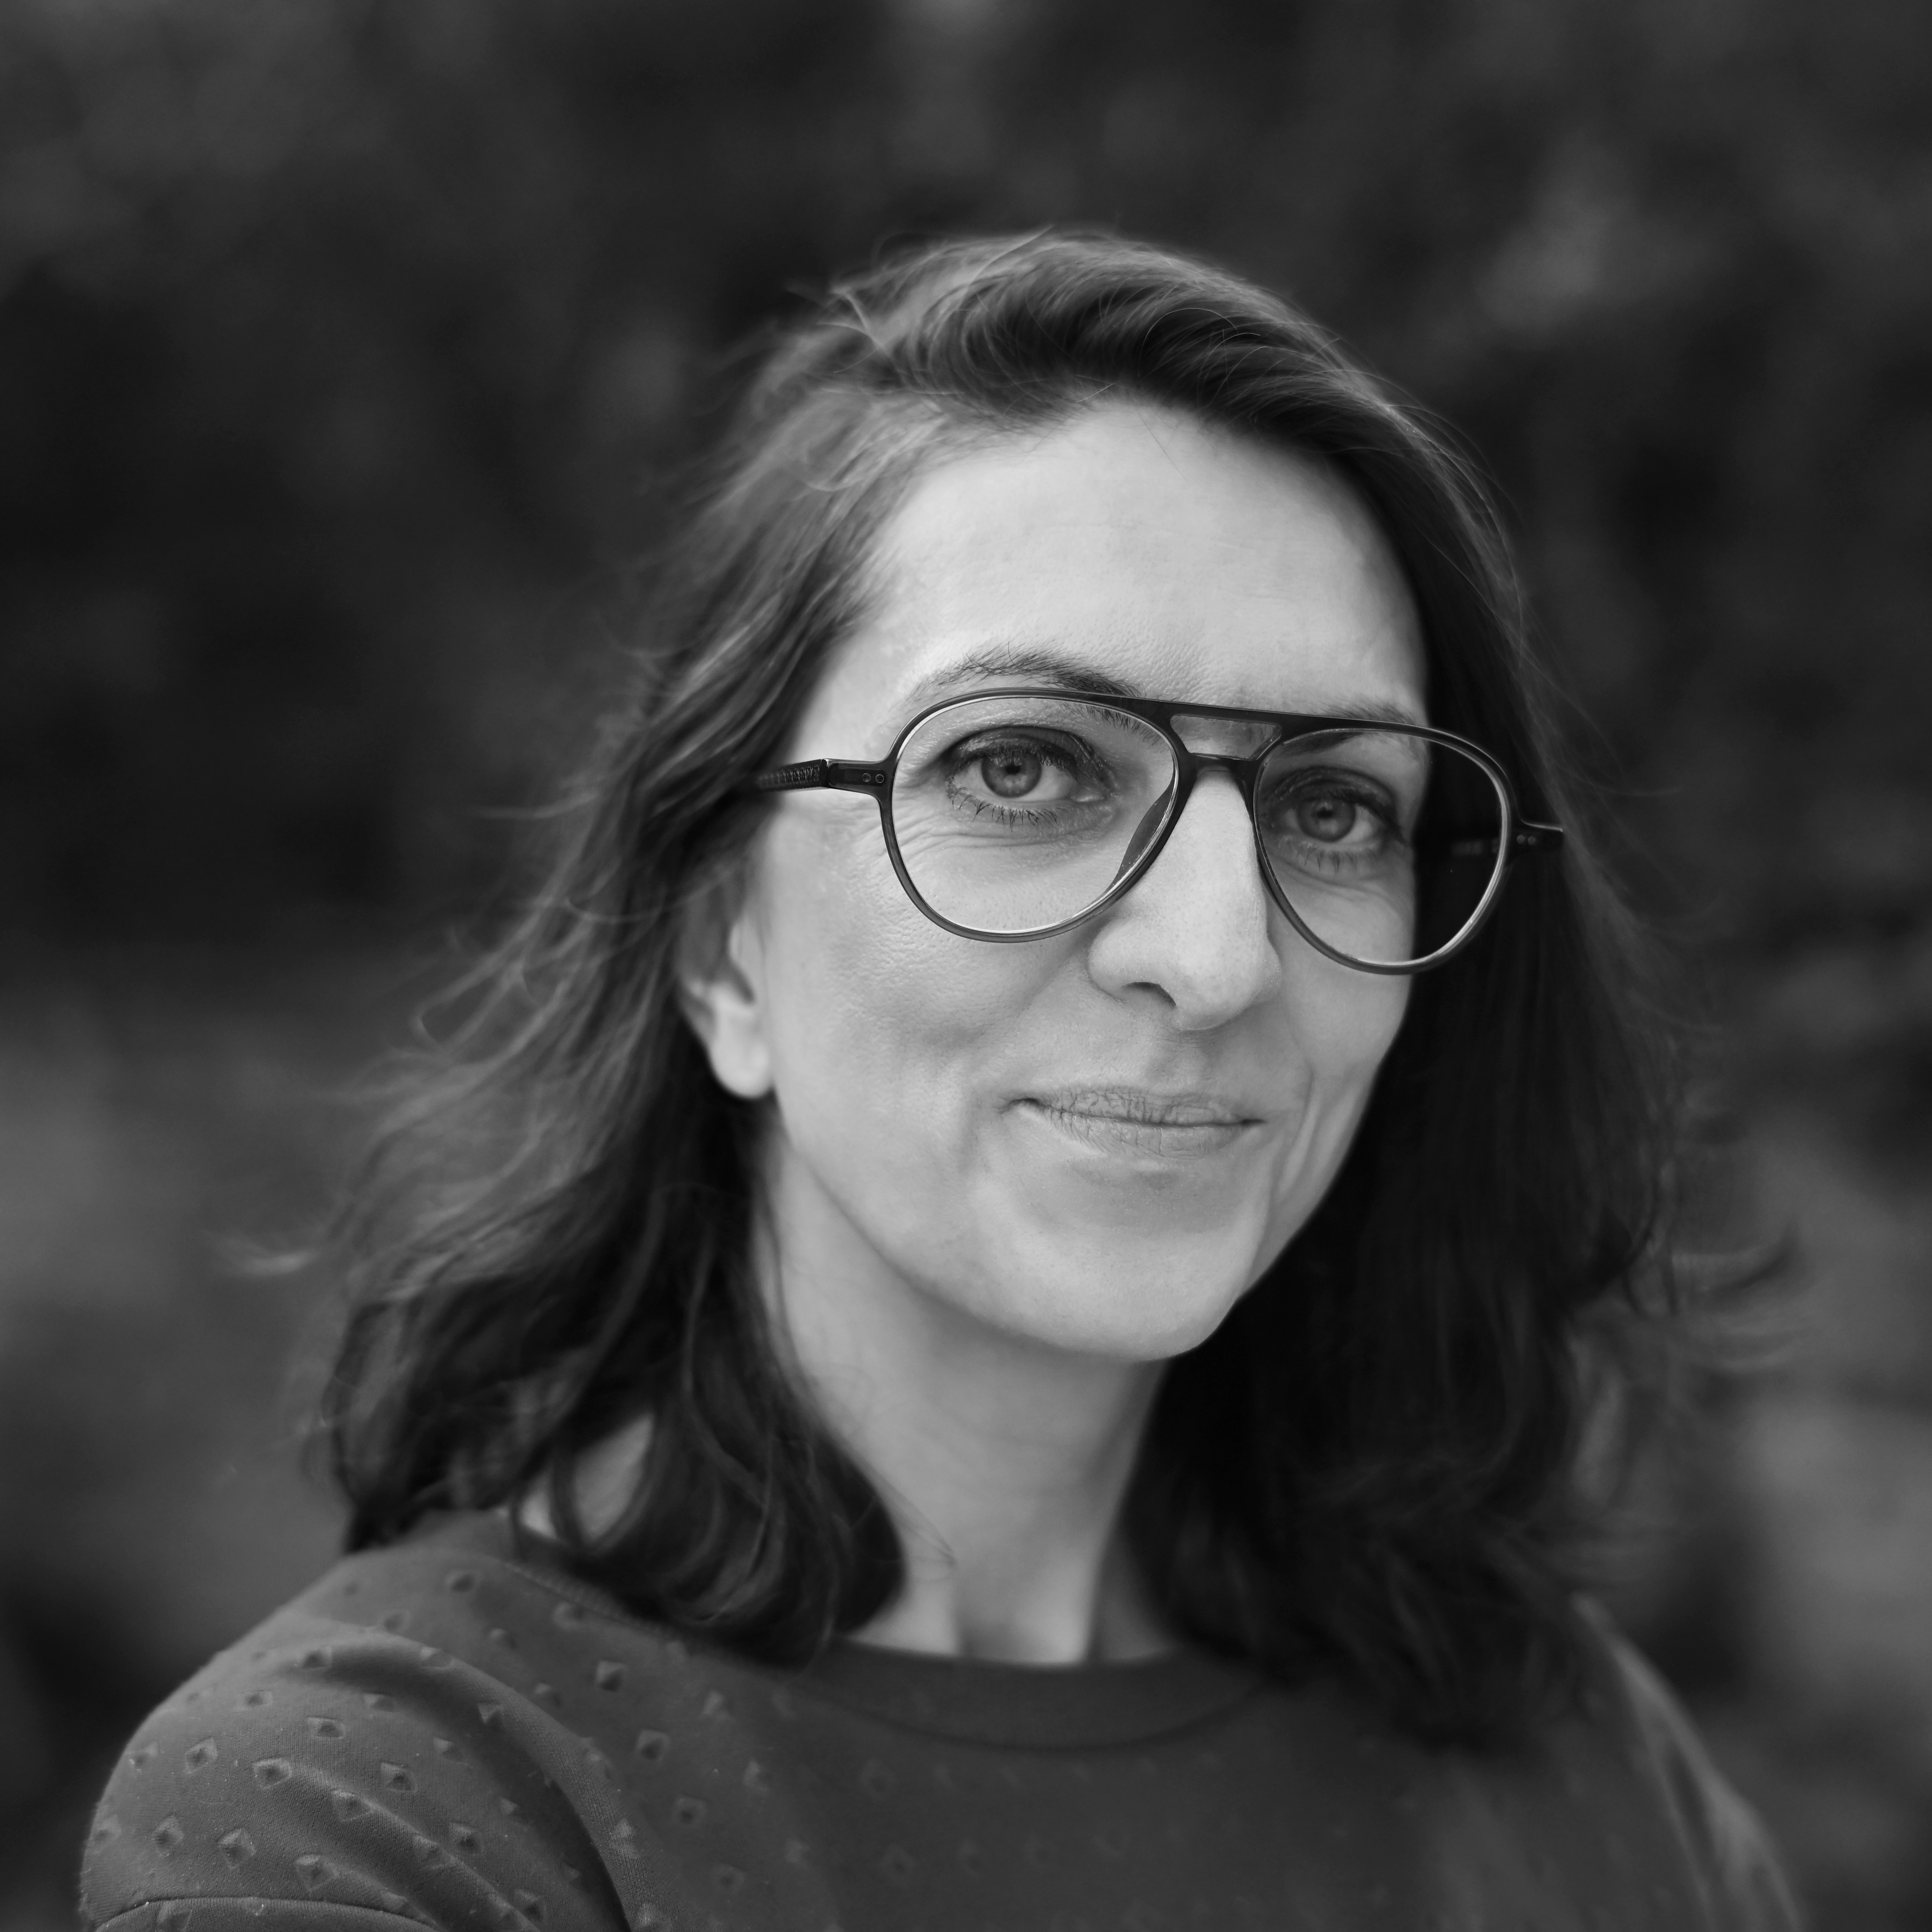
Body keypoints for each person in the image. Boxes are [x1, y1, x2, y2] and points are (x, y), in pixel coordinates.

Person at [81, 232, 1798, 1932]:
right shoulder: (374, 1819)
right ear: (720, 948)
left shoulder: (1580, 1772)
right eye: (1023, 767)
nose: (1220, 957)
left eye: (1335, 807)